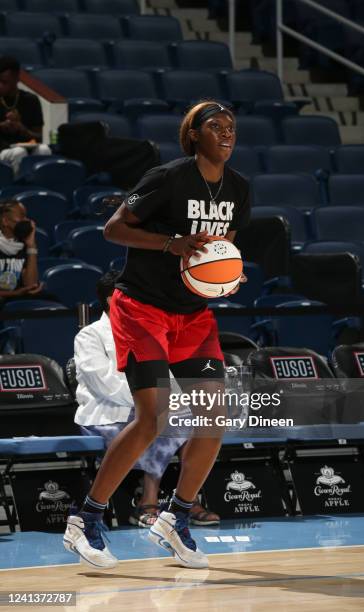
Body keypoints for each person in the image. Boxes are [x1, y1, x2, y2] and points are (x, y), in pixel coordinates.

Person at [63, 100, 250, 570]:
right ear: (194, 135)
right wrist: (172, 244)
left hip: (193, 315)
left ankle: (176, 518)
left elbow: (221, 247)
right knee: (151, 417)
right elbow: (113, 228)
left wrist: (226, 275)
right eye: (216, 127)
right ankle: (85, 519)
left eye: (231, 127)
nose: (226, 134)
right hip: (142, 309)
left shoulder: (239, 188)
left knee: (213, 419)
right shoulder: (168, 177)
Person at [74, 270, 220, 528]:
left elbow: (173, 379)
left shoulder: (153, 331)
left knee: (196, 421)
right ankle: (148, 501)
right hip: (105, 414)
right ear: (112, 299)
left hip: (155, 408)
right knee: (152, 419)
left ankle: (186, 501)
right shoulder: (90, 335)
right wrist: (150, 398)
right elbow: (104, 384)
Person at [0, 56, 51, 174]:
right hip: (2, 149)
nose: (0, 86)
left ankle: (40, 188)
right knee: (19, 152)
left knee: (44, 149)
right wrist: (3, 126)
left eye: (4, 82)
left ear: (16, 79)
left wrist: (22, 129)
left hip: (25, 146)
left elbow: (39, 136)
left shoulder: (30, 100)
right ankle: (19, 189)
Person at [0, 199, 43, 304]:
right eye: (21, 216)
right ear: (5, 221)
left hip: (19, 297)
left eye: (26, 216)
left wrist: (31, 245)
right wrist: (15, 293)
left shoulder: (23, 245)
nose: (26, 221)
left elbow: (30, 284)